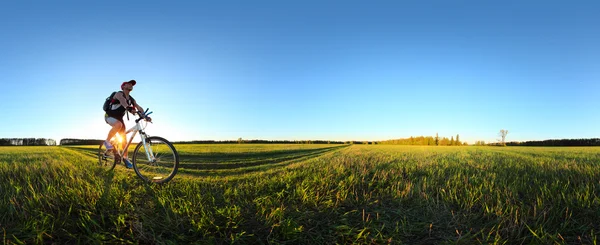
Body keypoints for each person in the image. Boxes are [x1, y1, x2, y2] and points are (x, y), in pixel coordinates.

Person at [103, 80, 150, 168]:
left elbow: (138, 107)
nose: (131, 85)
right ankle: (107, 142)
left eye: (132, 84)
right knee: (118, 125)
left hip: (120, 119)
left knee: (124, 140)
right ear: (123, 86)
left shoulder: (131, 99)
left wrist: (144, 115)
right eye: (129, 83)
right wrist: (128, 108)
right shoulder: (118, 94)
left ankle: (125, 158)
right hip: (109, 116)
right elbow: (122, 101)